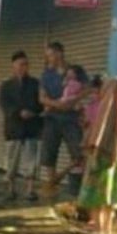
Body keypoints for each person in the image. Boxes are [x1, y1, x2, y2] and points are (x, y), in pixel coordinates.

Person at [78, 77, 117, 234]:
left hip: (102, 158)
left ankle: (97, 227)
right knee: (109, 197)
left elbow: (98, 136)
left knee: (97, 195)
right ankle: (107, 229)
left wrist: (91, 150)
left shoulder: (105, 108)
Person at [39, 42, 86, 195]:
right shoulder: (46, 74)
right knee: (49, 153)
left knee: (78, 154)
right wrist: (58, 104)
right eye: (47, 56)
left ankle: (73, 186)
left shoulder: (75, 71)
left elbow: (87, 90)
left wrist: (71, 102)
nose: (48, 59)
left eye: (50, 55)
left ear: (59, 53)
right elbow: (42, 98)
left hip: (71, 120)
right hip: (52, 119)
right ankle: (52, 186)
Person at [0, 50, 44, 201]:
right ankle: (11, 190)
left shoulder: (35, 84)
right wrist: (18, 113)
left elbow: (41, 103)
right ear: (14, 65)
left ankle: (29, 190)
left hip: (32, 127)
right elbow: (4, 105)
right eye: (21, 64)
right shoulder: (6, 85)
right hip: (14, 128)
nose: (24, 67)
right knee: (12, 160)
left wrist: (34, 112)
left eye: (26, 64)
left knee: (31, 161)